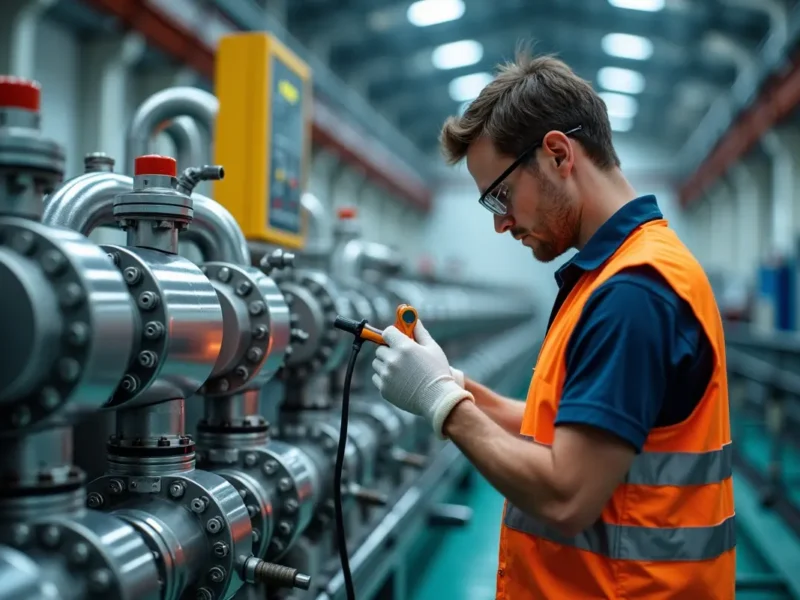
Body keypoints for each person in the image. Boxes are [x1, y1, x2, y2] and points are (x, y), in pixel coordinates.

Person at [370, 51, 735, 599]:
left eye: (501, 194)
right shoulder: (613, 274)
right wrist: (454, 383)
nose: (500, 223)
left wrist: (443, 405)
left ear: (559, 153)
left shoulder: (634, 292)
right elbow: (561, 427)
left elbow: (568, 495)